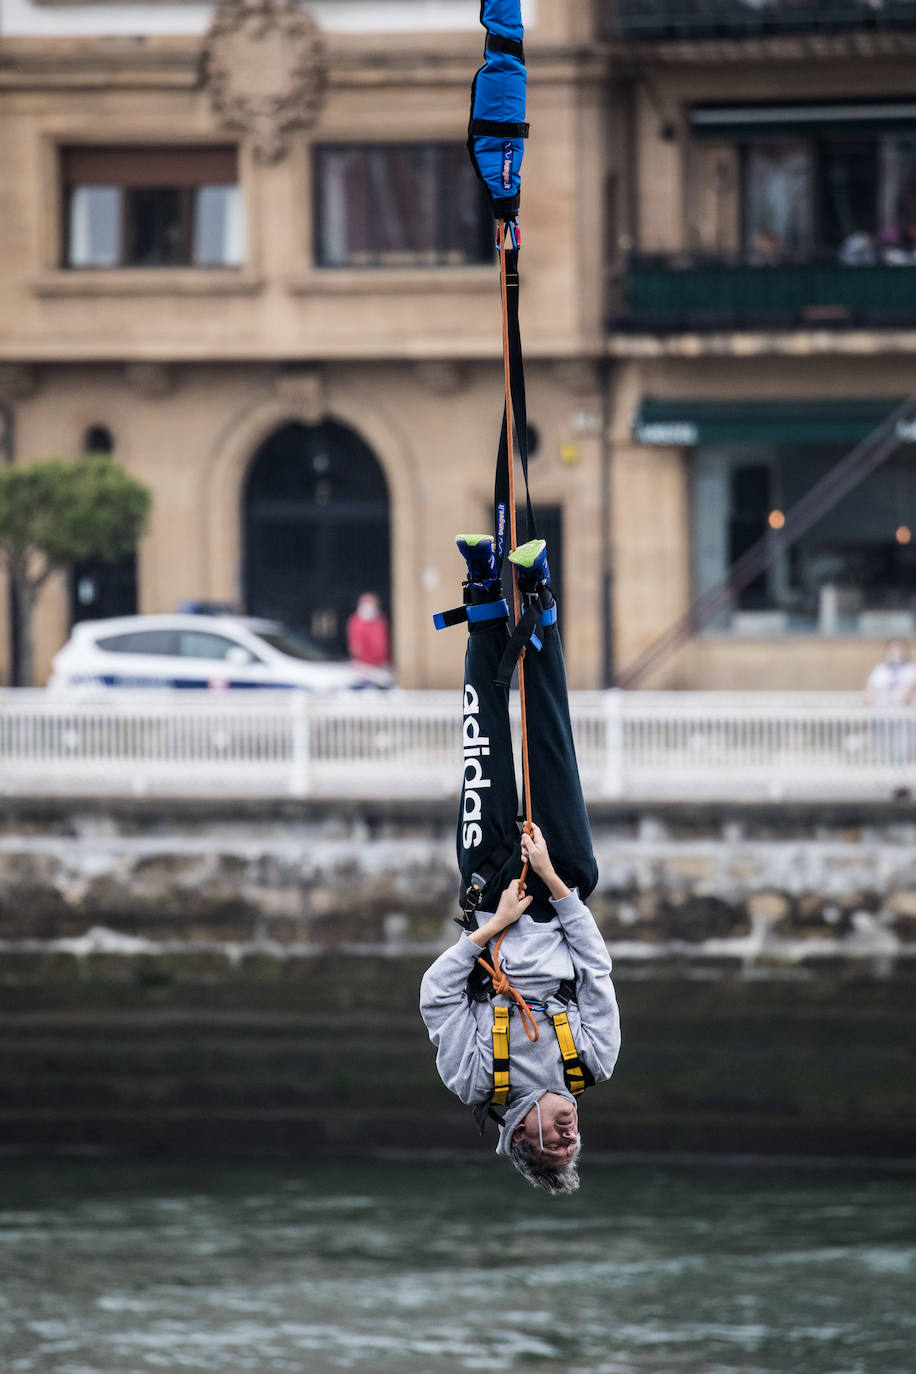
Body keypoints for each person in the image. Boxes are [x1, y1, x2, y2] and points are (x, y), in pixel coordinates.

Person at [419, 535, 621, 1193]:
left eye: (556, 1145)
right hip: (562, 879)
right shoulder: (595, 1061)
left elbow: (437, 994)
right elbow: (594, 967)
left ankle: (481, 587)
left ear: (521, 1139)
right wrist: (556, 883)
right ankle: (536, 590)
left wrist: (493, 923)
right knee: (552, 742)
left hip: (492, 889)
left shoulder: (474, 1077)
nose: (570, 1134)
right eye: (574, 1142)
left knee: (487, 731)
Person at [346, 591, 390, 669]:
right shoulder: (356, 622)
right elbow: (355, 647)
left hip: (382, 664)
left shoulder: (381, 621)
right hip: (362, 665)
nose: (369, 606)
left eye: (372, 603)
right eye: (367, 602)